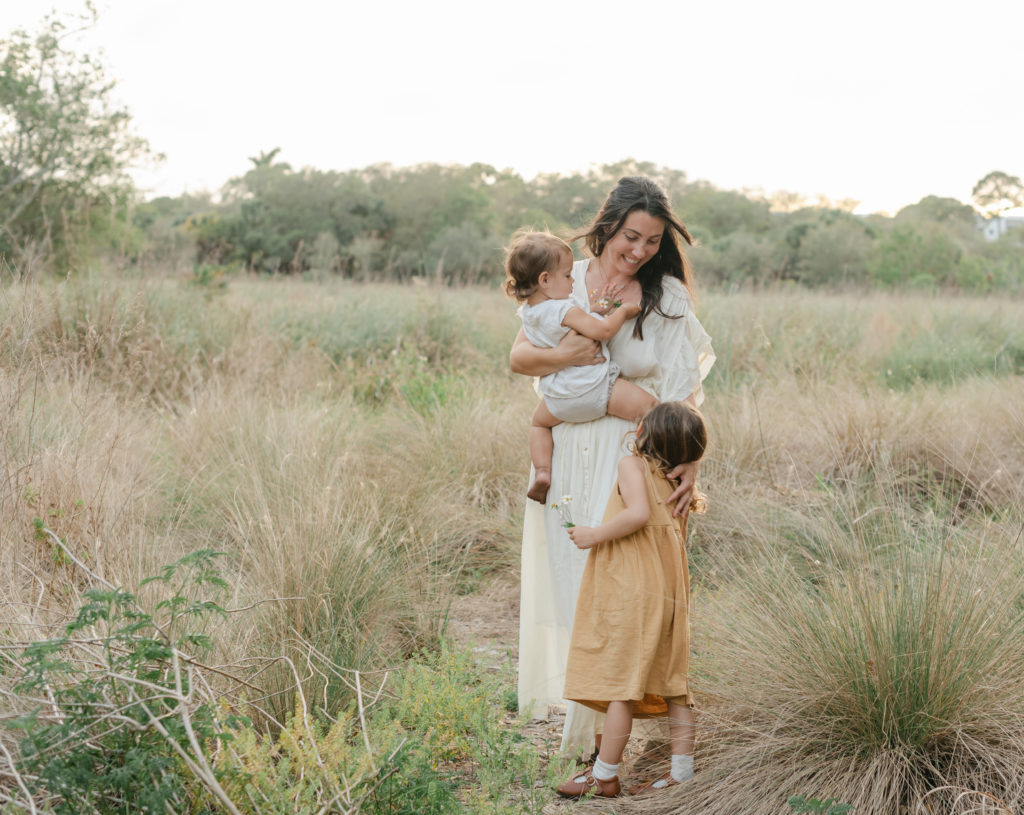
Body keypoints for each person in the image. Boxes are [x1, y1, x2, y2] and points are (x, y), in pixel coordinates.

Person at [511, 176, 715, 758]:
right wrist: (571, 354)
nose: (640, 251)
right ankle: (587, 737)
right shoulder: (561, 276)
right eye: (631, 236)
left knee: (620, 594)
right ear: (607, 227)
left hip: (632, 455)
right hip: (570, 448)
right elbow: (519, 356)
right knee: (578, 587)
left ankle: (609, 749)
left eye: (653, 241)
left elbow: (684, 392)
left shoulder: (666, 296)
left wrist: (690, 459)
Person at [555, 401, 707, 798]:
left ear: (642, 432)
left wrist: (594, 534)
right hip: (672, 588)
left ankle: (604, 773)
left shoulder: (632, 465)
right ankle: (681, 772)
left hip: (636, 586)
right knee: (676, 682)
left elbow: (638, 514)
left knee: (622, 681)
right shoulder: (677, 479)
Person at [502, 230, 658, 504]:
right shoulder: (564, 310)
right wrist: (622, 311)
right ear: (545, 280)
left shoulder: (530, 313)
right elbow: (602, 332)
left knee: (538, 424)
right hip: (594, 390)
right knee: (652, 409)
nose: (573, 280)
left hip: (558, 399)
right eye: (566, 276)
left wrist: (597, 307)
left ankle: (542, 471)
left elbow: (567, 327)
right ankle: (644, 461)